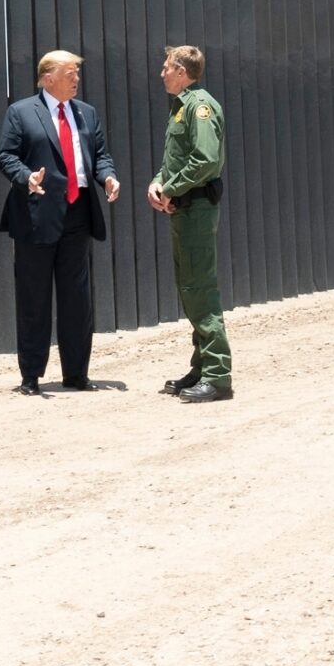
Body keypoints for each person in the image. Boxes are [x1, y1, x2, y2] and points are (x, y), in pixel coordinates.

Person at [0, 50, 119, 395]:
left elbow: (100, 155)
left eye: (77, 73)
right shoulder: (21, 112)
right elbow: (5, 155)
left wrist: (107, 177)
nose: (76, 80)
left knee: (77, 300)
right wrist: (25, 177)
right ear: (48, 77)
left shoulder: (87, 114)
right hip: (37, 215)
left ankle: (76, 374)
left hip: (78, 214)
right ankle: (31, 376)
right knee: (34, 299)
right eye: (70, 74)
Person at [146, 45, 231, 402]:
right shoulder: (181, 107)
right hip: (184, 209)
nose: (162, 73)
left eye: (167, 67)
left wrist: (171, 186)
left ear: (182, 71)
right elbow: (177, 158)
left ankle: (218, 376)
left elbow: (206, 160)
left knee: (200, 289)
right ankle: (201, 369)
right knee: (189, 288)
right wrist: (158, 181)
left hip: (196, 209)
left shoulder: (200, 107)